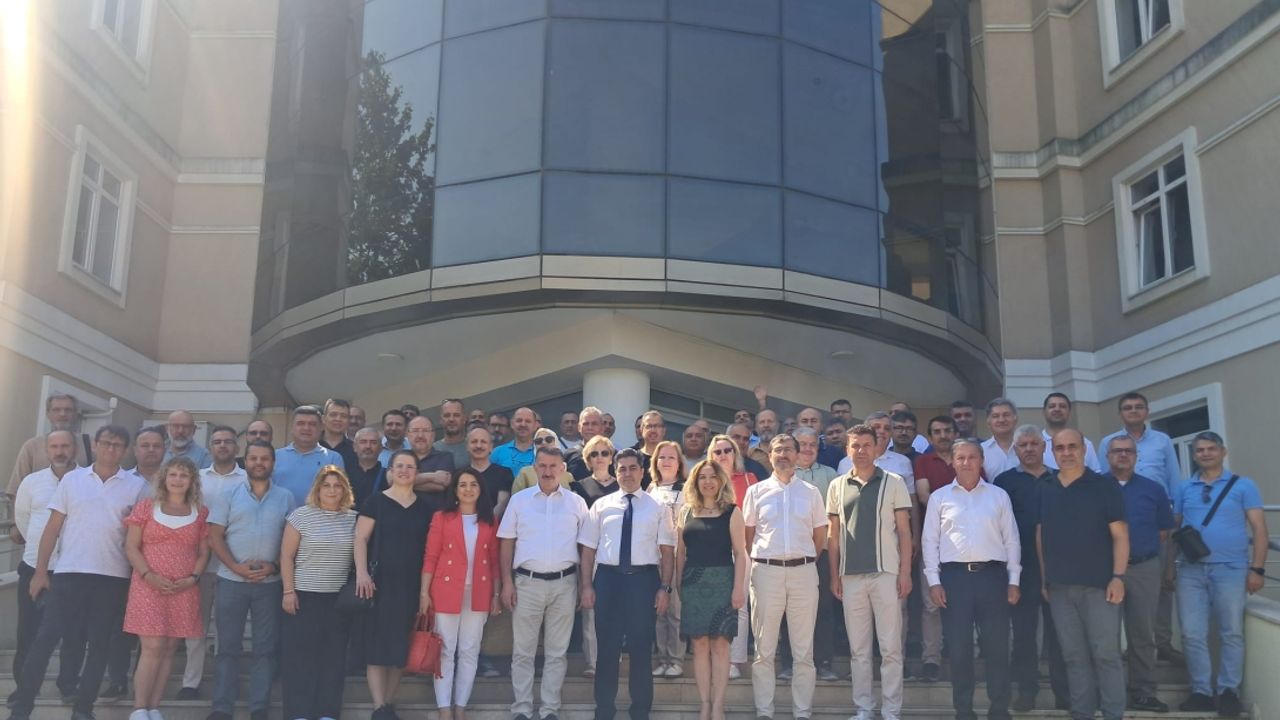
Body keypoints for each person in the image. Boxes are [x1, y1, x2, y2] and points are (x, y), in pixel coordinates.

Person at [9, 425, 148, 720]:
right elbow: (52, 528)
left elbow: (140, 536)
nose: (111, 449)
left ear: (125, 450)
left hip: (113, 577)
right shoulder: (72, 480)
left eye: (117, 445)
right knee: (44, 641)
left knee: (98, 646)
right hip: (69, 573)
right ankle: (21, 709)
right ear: (95, 445)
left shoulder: (137, 487)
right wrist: (41, 572)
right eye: (106, 443)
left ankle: (83, 710)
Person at [1171, 432, 1268, 717]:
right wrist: (1168, 568)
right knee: (1192, 633)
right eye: (1200, 450)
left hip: (1231, 569)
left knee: (1232, 632)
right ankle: (1201, 691)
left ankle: (1228, 691)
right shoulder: (1185, 487)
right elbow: (1175, 529)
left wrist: (1257, 568)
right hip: (1190, 570)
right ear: (1194, 455)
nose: (1205, 454)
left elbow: (1259, 529)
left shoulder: (1244, 485)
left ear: (1223, 452)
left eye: (1211, 448)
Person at [922, 439, 1020, 720]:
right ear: (953, 462)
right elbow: (930, 541)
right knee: (959, 649)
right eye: (961, 458)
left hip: (993, 578)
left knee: (997, 647)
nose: (966, 462)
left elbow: (1011, 539)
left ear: (981, 461)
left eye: (972, 457)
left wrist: (1014, 579)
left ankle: (999, 709)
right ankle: (964, 711)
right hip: (954, 580)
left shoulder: (998, 496)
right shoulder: (940, 498)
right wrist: (934, 581)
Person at [579, 448, 677, 720]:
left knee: (641, 649)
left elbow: (667, 552)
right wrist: (586, 586)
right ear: (615, 471)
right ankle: (604, 711)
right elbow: (588, 550)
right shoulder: (601, 505)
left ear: (642, 471)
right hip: (608, 581)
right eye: (622, 469)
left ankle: (640, 712)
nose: (627, 473)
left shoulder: (657, 507)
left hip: (643, 582)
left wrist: (664, 588)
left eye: (633, 468)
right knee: (607, 650)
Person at [1038, 428, 1129, 720]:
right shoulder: (1046, 487)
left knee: (1106, 656)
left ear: (1084, 449)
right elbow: (1041, 534)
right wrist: (1045, 578)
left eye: (1072, 446)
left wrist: (1118, 577)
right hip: (1060, 588)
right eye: (1060, 448)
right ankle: (1082, 713)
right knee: (1073, 657)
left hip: (1100, 586)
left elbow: (1120, 535)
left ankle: (1113, 714)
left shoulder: (1104, 486)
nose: (1066, 453)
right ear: (1052, 452)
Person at [827, 424, 913, 720]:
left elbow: (905, 532)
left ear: (877, 448)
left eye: (866, 444)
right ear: (847, 449)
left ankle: (891, 711)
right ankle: (864, 709)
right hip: (850, 576)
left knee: (890, 648)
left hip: (886, 574)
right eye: (855, 445)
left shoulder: (894, 482)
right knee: (859, 650)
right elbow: (833, 536)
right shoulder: (837, 486)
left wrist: (905, 572)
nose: (861, 450)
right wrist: (834, 575)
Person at [498, 445, 589, 720]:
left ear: (563, 469)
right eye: (543, 466)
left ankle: (550, 710)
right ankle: (522, 710)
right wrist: (506, 582)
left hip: (565, 584)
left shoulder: (577, 503)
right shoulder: (519, 501)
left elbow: (586, 547)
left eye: (553, 466)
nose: (548, 471)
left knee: (557, 653)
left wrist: (584, 585)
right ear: (534, 468)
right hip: (527, 584)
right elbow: (506, 543)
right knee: (522, 652)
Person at [207, 440, 295, 720]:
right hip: (231, 581)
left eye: (265, 458)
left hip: (269, 584)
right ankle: (222, 707)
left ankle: (259, 708)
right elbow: (214, 536)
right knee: (227, 647)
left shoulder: (286, 498)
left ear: (273, 463)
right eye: (254, 458)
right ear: (245, 461)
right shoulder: (228, 495)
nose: (259, 463)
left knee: (265, 649)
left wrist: (274, 566)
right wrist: (235, 567)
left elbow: (291, 541)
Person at [743, 434, 828, 720]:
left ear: (798, 454)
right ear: (769, 456)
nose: (783, 454)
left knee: (804, 650)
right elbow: (748, 537)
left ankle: (802, 712)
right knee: (764, 649)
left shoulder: (811, 493)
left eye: (788, 449)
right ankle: (764, 711)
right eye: (777, 450)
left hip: (803, 573)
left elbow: (820, 537)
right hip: (766, 572)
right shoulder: (755, 492)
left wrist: (802, 559)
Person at [123, 456, 210, 720]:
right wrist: (148, 575)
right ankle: (139, 708)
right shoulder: (146, 508)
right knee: (152, 646)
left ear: (192, 481)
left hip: (184, 589)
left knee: (170, 648)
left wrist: (193, 577)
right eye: (173, 474)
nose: (178, 480)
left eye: (184, 475)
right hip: (148, 586)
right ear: (164, 478)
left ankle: (154, 708)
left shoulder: (200, 513)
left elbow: (204, 552)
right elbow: (131, 547)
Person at [1099, 391, 1183, 661]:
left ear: (1147, 411)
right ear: (1120, 413)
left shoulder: (1163, 441)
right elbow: (1102, 481)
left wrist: (1173, 518)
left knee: (1160, 592)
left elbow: (1174, 479)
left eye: (1138, 407)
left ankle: (1163, 642)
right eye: (1127, 407)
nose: (1133, 411)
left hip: (1155, 517)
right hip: (1112, 539)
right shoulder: (1108, 442)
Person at [356, 449, 438, 720]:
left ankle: (389, 704)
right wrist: (362, 573)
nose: (404, 471)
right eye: (399, 466)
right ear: (390, 471)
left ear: (417, 472)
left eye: (409, 466)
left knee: (400, 648)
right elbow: (360, 539)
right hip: (378, 584)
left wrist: (425, 590)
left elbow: (429, 550)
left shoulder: (425, 508)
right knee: (377, 647)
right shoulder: (375, 502)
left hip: (410, 586)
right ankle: (378, 706)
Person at [991, 425, 1067, 711]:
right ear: (1016, 449)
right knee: (1024, 634)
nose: (1029, 449)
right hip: (1020, 568)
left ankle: (1064, 693)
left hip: (1059, 566)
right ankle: (1026, 691)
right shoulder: (1005, 482)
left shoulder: (1060, 478)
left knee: (1060, 634)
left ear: (1044, 447)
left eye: (1034, 444)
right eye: (1023, 445)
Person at [9, 430, 83, 707]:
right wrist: (43, 553)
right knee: (29, 631)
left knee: (74, 631)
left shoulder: (86, 481)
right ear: (47, 450)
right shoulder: (32, 482)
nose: (60, 451)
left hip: (75, 568)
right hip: (35, 567)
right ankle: (24, 688)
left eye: (65, 445)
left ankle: (68, 685)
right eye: (54, 446)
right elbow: (23, 519)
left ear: (75, 448)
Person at [420, 469, 502, 720]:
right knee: (445, 649)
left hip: (479, 592)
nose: (468, 489)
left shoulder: (490, 519)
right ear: (455, 490)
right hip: (446, 591)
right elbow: (431, 557)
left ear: (481, 489)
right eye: (462, 484)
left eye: (473, 484)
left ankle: (460, 707)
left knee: (469, 650)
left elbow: (495, 561)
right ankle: (444, 708)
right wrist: (424, 592)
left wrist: (496, 594)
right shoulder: (441, 517)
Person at [1101, 434, 1174, 713]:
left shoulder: (1153, 489)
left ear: (1136, 456)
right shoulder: (1095, 487)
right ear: (1107, 456)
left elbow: (1165, 531)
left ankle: (1143, 692)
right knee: (1105, 636)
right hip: (1105, 571)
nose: (1123, 455)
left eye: (1128, 451)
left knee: (1142, 634)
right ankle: (1110, 693)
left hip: (1144, 568)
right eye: (1117, 451)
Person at [280, 466, 358, 720]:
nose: (332, 490)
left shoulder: (354, 519)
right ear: (317, 489)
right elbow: (286, 556)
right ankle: (299, 712)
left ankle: (327, 712)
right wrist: (288, 591)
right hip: (304, 597)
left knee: (334, 659)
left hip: (337, 600)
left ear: (345, 490)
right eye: (326, 485)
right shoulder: (300, 516)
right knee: (301, 658)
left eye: (337, 486)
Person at [675, 460, 746, 720]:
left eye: (712, 477)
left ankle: (718, 705)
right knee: (699, 644)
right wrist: (679, 583)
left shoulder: (732, 512)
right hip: (693, 583)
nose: (707, 482)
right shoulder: (686, 512)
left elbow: (740, 554)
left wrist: (738, 588)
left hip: (723, 582)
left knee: (721, 645)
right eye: (702, 477)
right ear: (695, 482)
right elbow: (680, 553)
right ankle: (704, 703)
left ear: (720, 481)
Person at [180, 425, 245, 700]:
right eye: (217, 442)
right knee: (196, 625)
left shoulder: (246, 479)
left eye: (228, 442)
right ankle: (190, 682)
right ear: (210, 448)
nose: (222, 446)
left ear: (237, 447)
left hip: (234, 562)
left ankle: (224, 681)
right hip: (200, 562)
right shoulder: (197, 479)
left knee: (227, 628)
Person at [909, 415, 958, 681]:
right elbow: (923, 495)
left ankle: (962, 655)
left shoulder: (966, 458)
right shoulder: (923, 462)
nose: (943, 435)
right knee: (931, 604)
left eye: (947, 430)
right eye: (937, 431)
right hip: (933, 539)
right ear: (929, 437)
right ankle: (931, 659)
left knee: (961, 602)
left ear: (955, 433)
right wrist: (957, 510)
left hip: (964, 542)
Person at [568, 434, 619, 678]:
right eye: (594, 454)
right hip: (589, 553)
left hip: (617, 555)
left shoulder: (622, 486)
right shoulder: (578, 487)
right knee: (591, 610)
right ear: (587, 459)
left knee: (615, 612)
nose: (599, 457)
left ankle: (613, 659)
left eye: (604, 453)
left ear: (611, 457)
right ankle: (593, 662)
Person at [465, 426, 514, 679]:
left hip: (491, 540)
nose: (478, 446)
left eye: (483, 442)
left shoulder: (502, 473)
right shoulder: (461, 473)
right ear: (468, 445)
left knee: (488, 599)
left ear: (491, 447)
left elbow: (503, 503)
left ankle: (485, 656)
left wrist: (482, 524)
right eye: (474, 441)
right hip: (463, 545)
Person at [707, 434, 756, 680]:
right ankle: (715, 657)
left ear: (735, 454)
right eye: (718, 451)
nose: (723, 455)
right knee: (713, 604)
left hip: (742, 550)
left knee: (740, 606)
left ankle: (735, 661)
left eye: (728, 450)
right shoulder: (705, 480)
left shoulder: (749, 479)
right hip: (712, 550)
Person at [791, 427, 839, 681]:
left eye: (812, 444)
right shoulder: (786, 473)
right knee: (790, 610)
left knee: (823, 608)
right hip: (791, 553)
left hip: (823, 552)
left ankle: (824, 662)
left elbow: (835, 516)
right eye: (802, 444)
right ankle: (789, 662)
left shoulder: (830, 475)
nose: (808, 448)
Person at [647, 441, 687, 678]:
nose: (666, 461)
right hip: (654, 557)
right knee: (658, 611)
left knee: (675, 611)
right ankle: (662, 658)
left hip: (677, 556)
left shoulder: (687, 489)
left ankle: (676, 659)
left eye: (671, 457)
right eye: (662, 457)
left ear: (679, 462)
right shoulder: (650, 489)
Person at [6, 393, 89, 504]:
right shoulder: (32, 447)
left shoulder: (89, 445)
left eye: (68, 410)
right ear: (48, 414)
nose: (62, 414)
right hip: (40, 512)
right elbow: (16, 491)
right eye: (56, 410)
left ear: (76, 414)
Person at [275, 405, 345, 506]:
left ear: (321, 428)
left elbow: (338, 495)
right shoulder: (275, 456)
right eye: (301, 423)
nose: (306, 428)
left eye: (312, 424)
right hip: (280, 515)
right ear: (292, 427)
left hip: (318, 516)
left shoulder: (333, 458)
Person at [1039, 393, 1100, 472]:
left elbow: (1096, 473)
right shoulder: (1035, 445)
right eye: (1052, 406)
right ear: (1044, 411)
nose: (1057, 409)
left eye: (1062, 406)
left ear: (1069, 412)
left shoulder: (1085, 443)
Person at [511, 429, 573, 494]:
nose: (544, 443)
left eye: (549, 440)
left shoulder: (568, 476)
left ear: (556, 442)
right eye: (538, 441)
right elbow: (517, 497)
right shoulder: (525, 473)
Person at [407, 415, 455, 496]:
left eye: (425, 431)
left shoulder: (445, 457)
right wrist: (432, 476)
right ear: (408, 435)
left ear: (433, 435)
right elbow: (391, 480)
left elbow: (440, 486)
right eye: (415, 431)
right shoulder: (399, 456)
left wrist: (403, 483)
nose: (420, 435)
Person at [979, 398, 1018, 479]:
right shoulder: (981, 450)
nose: (1001, 420)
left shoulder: (1027, 448)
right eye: (995, 416)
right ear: (988, 422)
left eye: (1006, 415)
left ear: (1015, 418)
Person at [492, 408, 538, 475]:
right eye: (519, 420)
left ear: (535, 425)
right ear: (512, 424)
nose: (523, 424)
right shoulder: (497, 452)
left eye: (528, 421)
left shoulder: (543, 451)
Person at [348, 426, 386, 508]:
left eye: (373, 442)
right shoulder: (345, 475)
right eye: (363, 442)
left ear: (381, 448)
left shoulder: (388, 476)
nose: (368, 446)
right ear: (354, 447)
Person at [320, 398, 360, 471]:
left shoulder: (356, 450)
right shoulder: (312, 446)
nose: (338, 419)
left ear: (348, 421)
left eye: (343, 416)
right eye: (333, 415)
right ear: (323, 419)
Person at [435, 399, 472, 468]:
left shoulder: (474, 447)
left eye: (456, 415)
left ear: (464, 419)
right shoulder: (433, 450)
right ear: (441, 420)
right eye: (447, 415)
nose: (451, 419)